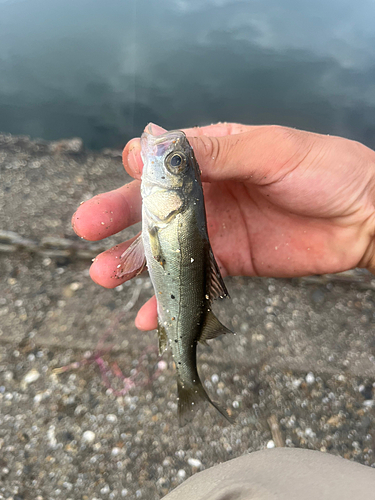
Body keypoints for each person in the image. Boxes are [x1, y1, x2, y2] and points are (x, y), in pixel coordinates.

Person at [72, 123, 375, 498]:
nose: (170, 156)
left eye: (176, 161)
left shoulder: (168, 208)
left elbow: (145, 250)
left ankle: (189, 382)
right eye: (177, 161)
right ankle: (190, 382)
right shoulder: (168, 210)